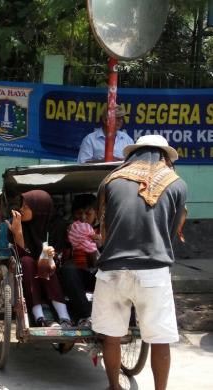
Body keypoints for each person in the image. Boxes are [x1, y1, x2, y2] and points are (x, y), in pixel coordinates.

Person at [92, 134, 186, 390]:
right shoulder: (176, 183)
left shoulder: (110, 180)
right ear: (164, 156)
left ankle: (114, 386)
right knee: (160, 339)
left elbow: (104, 230)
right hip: (154, 271)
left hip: (112, 269)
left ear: (133, 154)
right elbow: (173, 230)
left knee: (110, 336)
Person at [6, 189, 73, 328]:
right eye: (22, 205)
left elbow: (60, 253)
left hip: (53, 272)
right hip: (28, 274)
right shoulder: (18, 224)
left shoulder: (57, 226)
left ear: (38, 210)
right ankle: (39, 316)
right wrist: (17, 233)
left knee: (44, 262)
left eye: (26, 206)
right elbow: (21, 255)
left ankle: (64, 317)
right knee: (27, 261)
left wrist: (50, 254)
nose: (21, 209)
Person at [59, 194, 100, 326]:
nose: (83, 218)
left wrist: (100, 244)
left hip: (99, 276)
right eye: (79, 213)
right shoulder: (68, 230)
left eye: (88, 214)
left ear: (96, 214)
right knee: (68, 269)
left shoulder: (105, 230)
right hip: (76, 278)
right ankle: (86, 315)